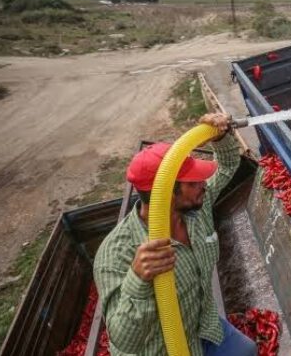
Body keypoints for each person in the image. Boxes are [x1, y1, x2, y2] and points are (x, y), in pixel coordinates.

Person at [93, 113, 257, 356]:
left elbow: (228, 166)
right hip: (162, 350)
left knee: (247, 351)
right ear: (165, 192)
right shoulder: (116, 253)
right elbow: (124, 341)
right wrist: (137, 281)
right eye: (192, 182)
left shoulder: (195, 208)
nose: (203, 183)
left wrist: (221, 137)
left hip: (202, 328)